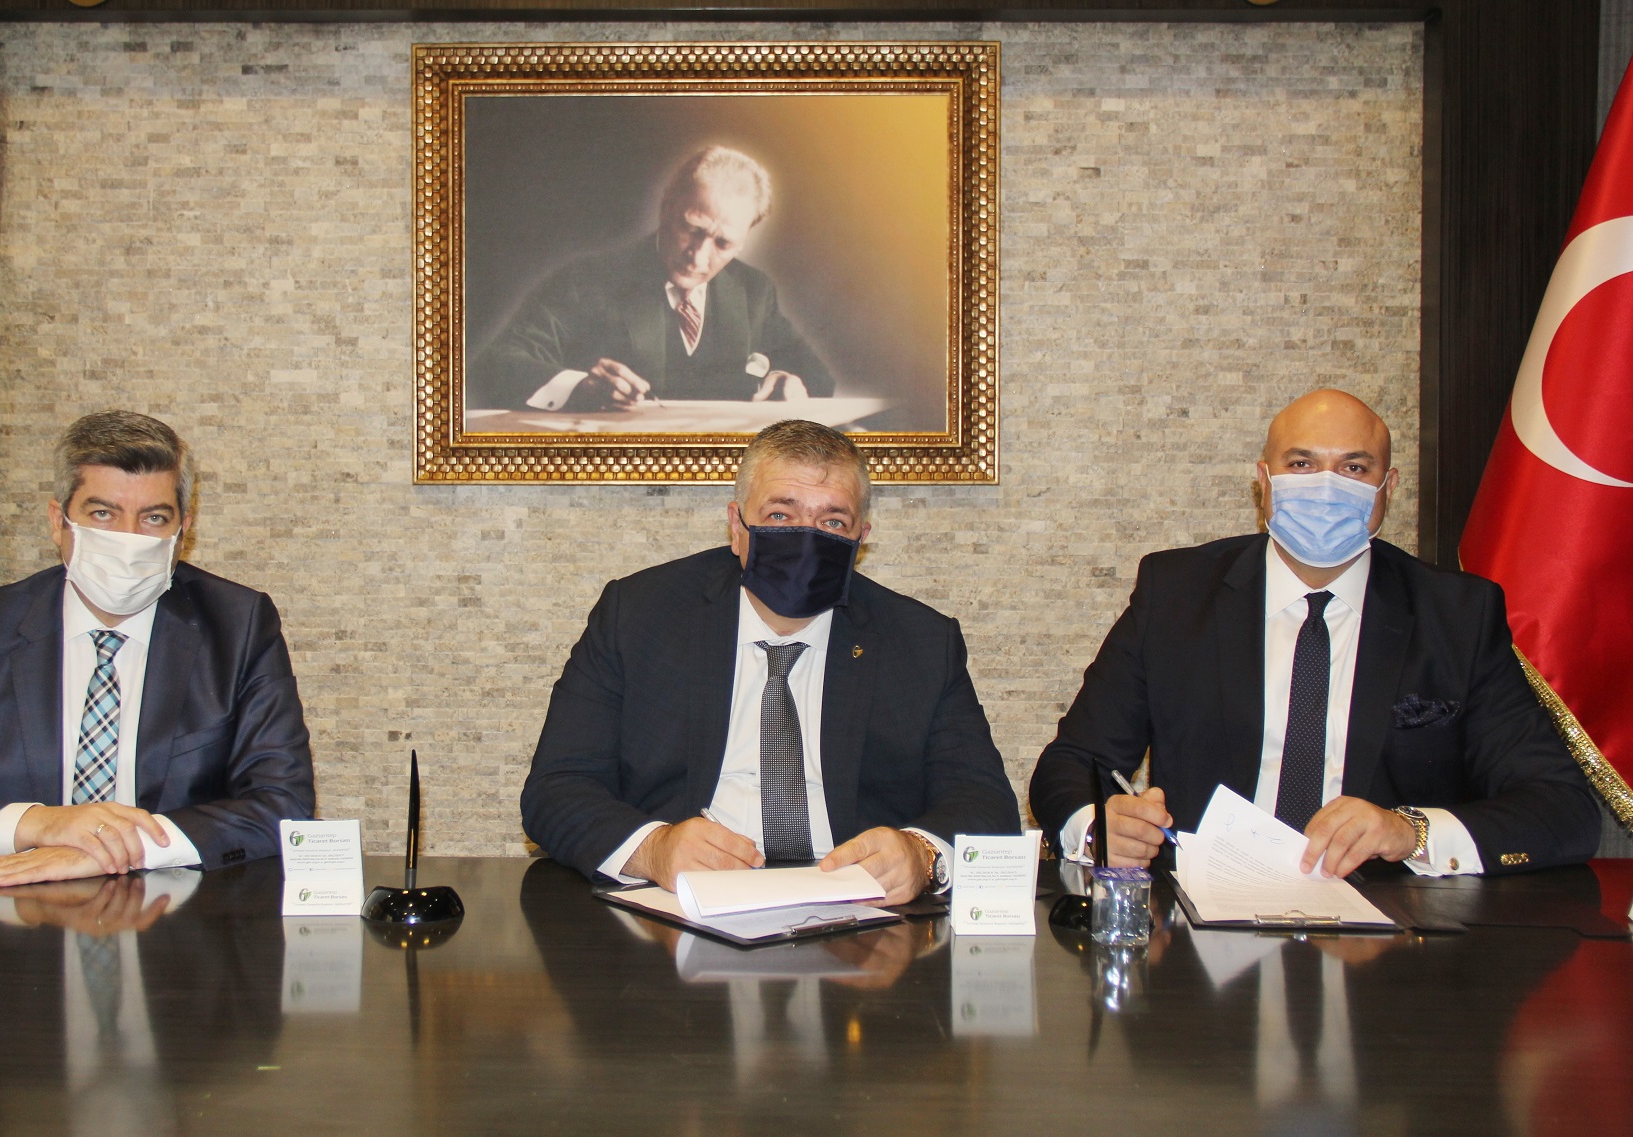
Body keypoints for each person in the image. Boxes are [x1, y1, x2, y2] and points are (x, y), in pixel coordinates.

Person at [1028, 389, 1599, 877]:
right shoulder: (1176, 594)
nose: (1326, 487)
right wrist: (1099, 827)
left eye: (1354, 468)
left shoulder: (1458, 615)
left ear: (1388, 487)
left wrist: (1411, 831)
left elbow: (1562, 809)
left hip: (1391, 928)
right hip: (1202, 920)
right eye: (1301, 464)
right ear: (1264, 482)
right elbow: (1071, 765)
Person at [520, 419, 1021, 905]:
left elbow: (984, 801)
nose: (806, 541)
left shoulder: (921, 642)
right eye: (781, 515)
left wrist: (921, 854)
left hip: (860, 911)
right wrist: (653, 851)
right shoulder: (639, 616)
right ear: (737, 526)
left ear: (860, 539)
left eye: (832, 522)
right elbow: (557, 789)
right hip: (683, 906)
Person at [0, 410, 315, 885]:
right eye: (103, 514)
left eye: (154, 518)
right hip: (9, 913)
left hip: (174, 914)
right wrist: (41, 824)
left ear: (184, 530)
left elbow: (284, 805)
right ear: (59, 522)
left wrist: (121, 849)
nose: (128, 540)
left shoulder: (238, 627)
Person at [470, 145, 836, 412]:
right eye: (691, 229)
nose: (699, 256)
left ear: (746, 236)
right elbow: (494, 366)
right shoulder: (587, 282)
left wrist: (790, 380)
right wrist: (580, 386)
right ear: (666, 207)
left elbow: (818, 377)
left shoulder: (753, 290)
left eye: (723, 243)